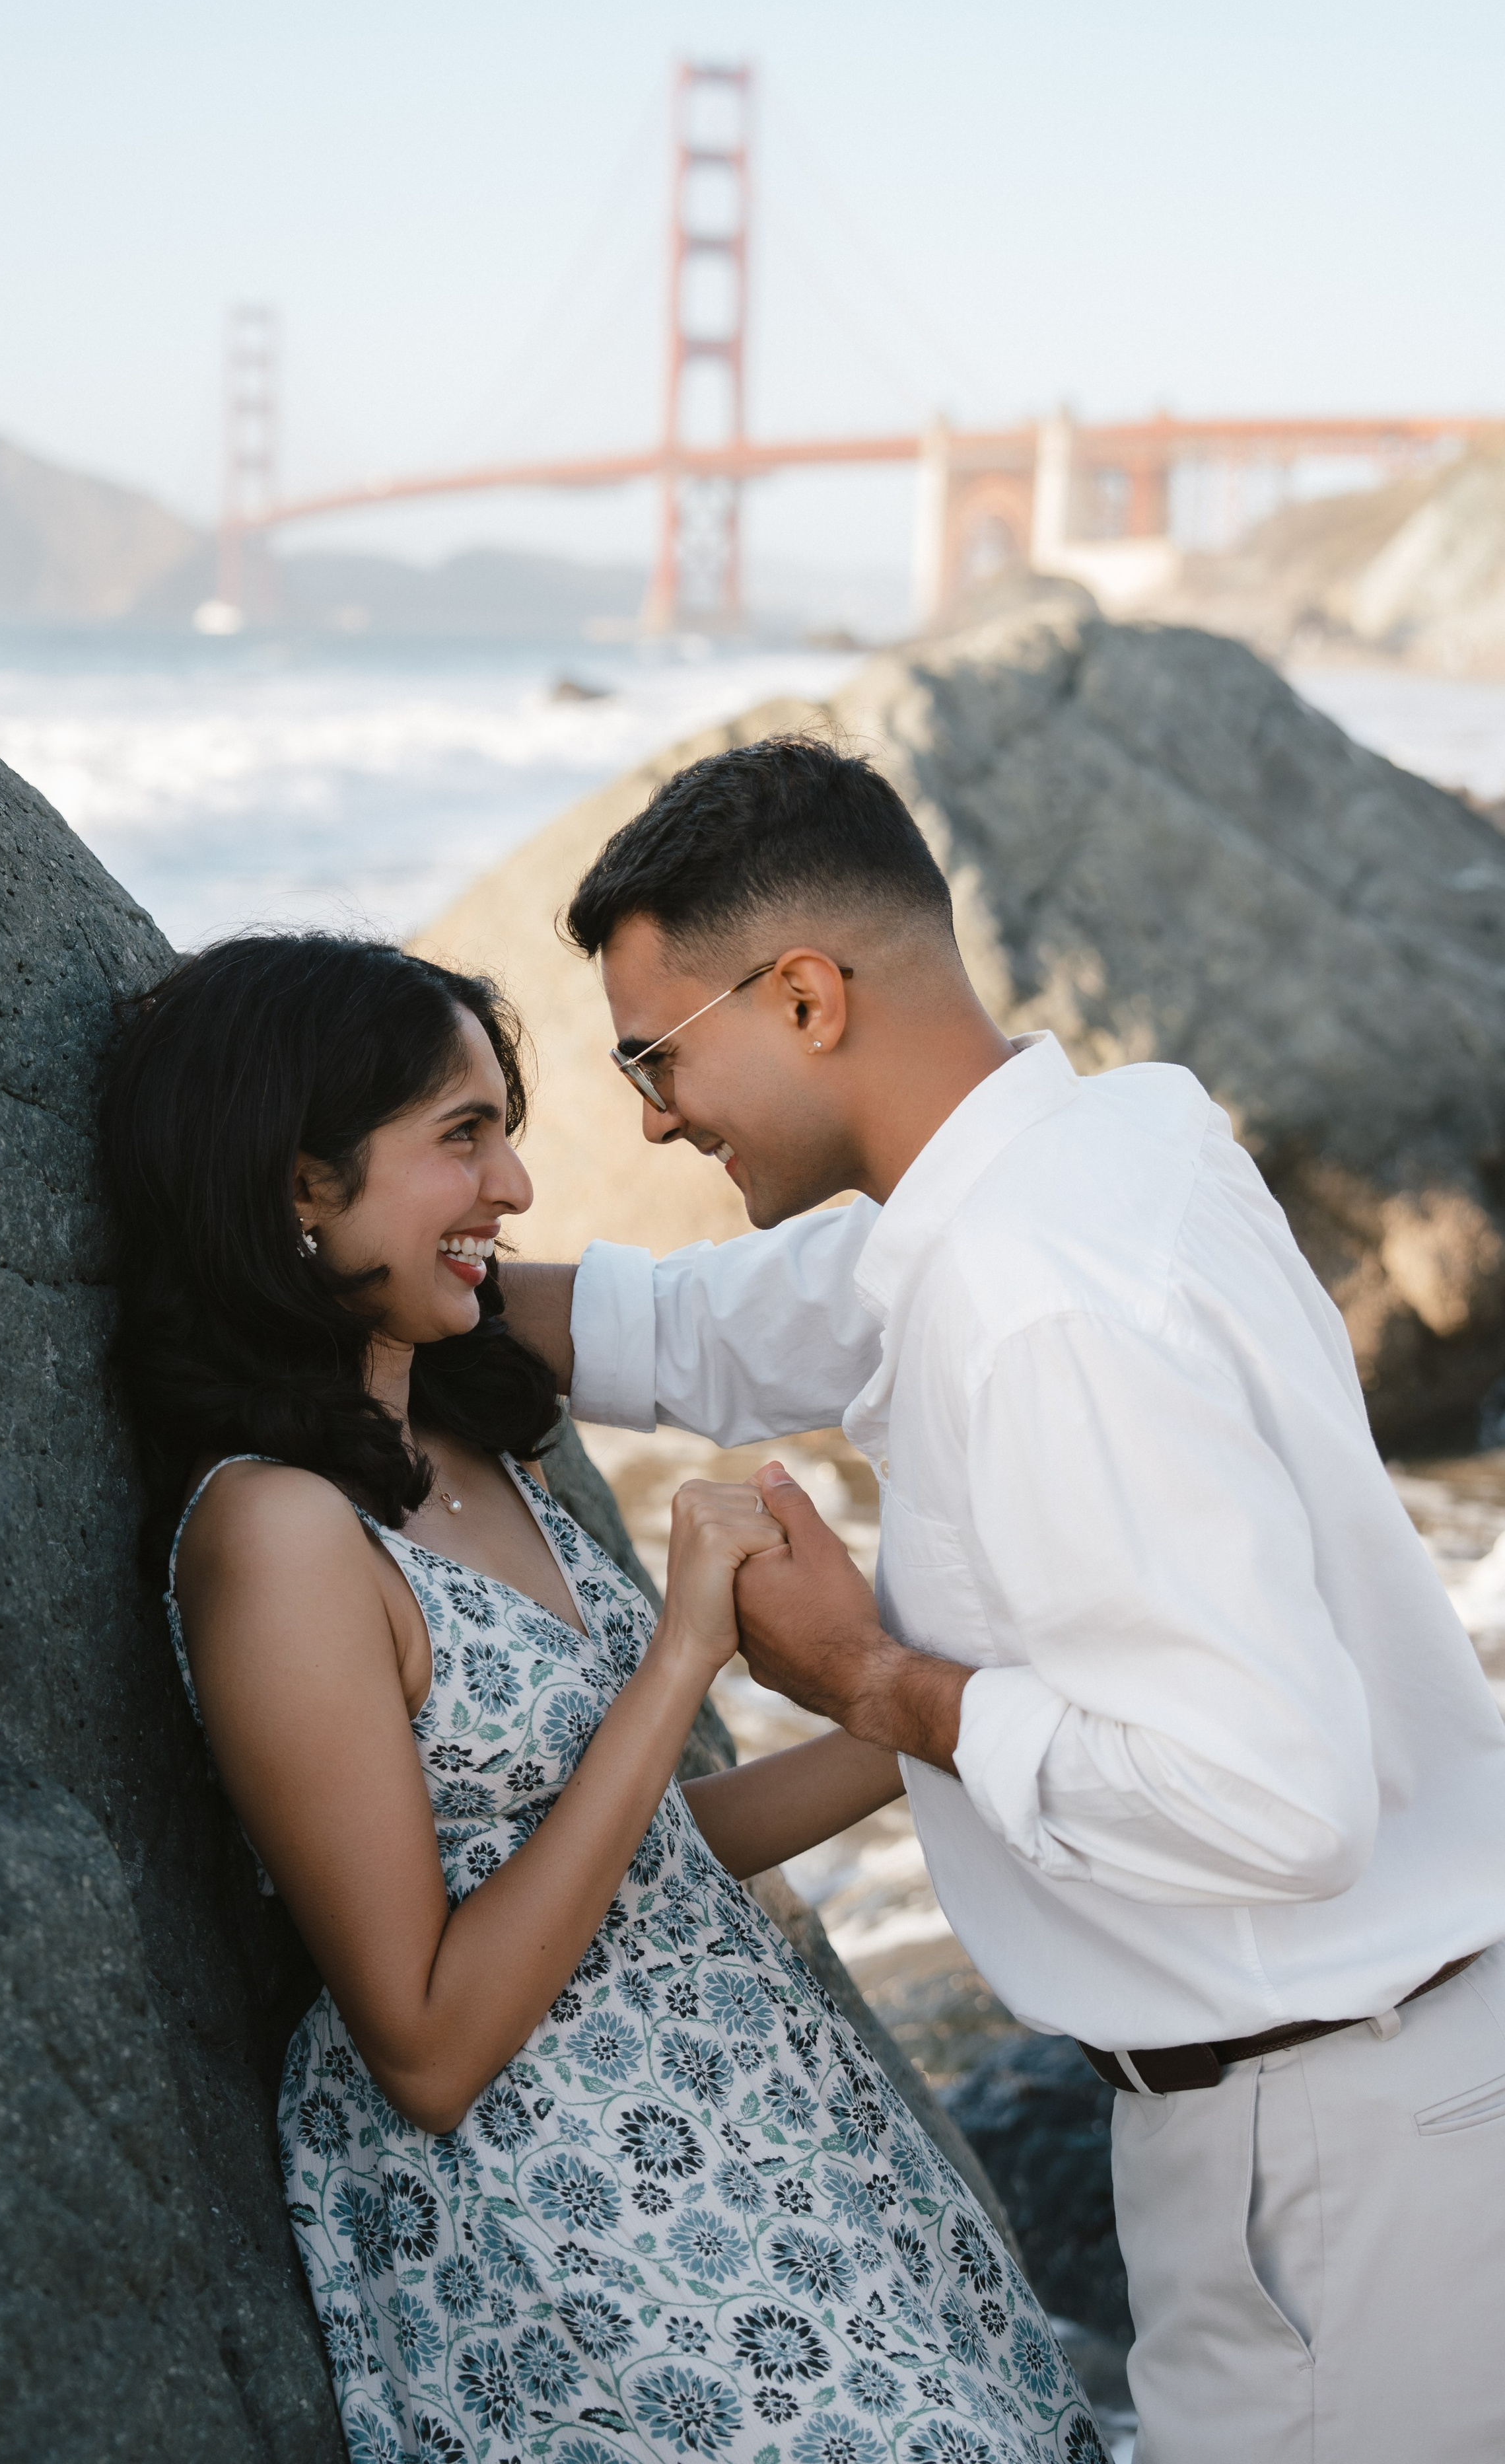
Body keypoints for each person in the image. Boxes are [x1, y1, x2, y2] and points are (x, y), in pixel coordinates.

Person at [498, 737, 1505, 2464]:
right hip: (1371, 2087)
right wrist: (412, 1268)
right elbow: (721, 1327)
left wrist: (878, 1680)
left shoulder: (1043, 1302)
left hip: (1332, 2139)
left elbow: (1276, 1802)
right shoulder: (1110, 1146)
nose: (654, 1118)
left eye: (658, 1058)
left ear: (807, 996)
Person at [99, 932, 1100, 2464]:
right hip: (579, 2234)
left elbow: (624, 1851)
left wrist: (919, 1703)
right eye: (461, 1136)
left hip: (760, 2154)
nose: (512, 1187)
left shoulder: (464, 1446)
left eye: (503, 1127)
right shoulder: (275, 1533)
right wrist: (682, 1654)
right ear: (301, 1188)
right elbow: (423, 2039)